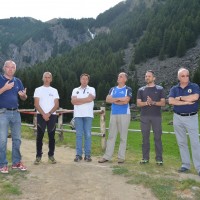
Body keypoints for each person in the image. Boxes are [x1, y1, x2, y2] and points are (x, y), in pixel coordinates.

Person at [168, 67, 200, 175]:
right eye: (183, 75)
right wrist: (186, 102)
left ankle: (199, 167)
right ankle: (185, 165)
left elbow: (195, 97)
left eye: (187, 75)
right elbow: (171, 101)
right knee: (182, 142)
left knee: (195, 142)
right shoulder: (174, 88)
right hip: (177, 117)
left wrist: (180, 98)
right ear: (178, 77)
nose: (186, 77)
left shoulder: (194, 86)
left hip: (191, 117)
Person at [0, 60, 27, 174]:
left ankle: (16, 162)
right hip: (3, 113)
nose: (10, 69)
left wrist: (23, 96)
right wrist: (4, 88)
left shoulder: (18, 81)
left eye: (13, 67)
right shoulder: (0, 79)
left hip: (16, 113)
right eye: (8, 67)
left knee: (17, 139)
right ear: (4, 68)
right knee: (2, 140)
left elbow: (23, 98)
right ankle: (3, 164)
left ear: (15, 69)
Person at [98, 72, 132, 164]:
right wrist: (119, 99)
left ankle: (121, 157)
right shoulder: (112, 89)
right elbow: (107, 99)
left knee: (123, 137)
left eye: (121, 76)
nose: (118, 77)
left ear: (125, 79)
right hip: (114, 114)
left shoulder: (128, 89)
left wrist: (115, 100)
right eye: (118, 76)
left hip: (124, 114)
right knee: (111, 136)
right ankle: (107, 156)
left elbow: (126, 101)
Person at [137, 70, 165, 165]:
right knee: (145, 138)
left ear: (154, 78)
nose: (147, 78)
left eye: (149, 76)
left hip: (156, 117)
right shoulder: (141, 90)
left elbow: (163, 103)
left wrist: (153, 102)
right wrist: (146, 103)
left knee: (157, 138)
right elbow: (138, 103)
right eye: (145, 76)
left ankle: (159, 159)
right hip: (144, 117)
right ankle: (145, 158)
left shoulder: (160, 89)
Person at [33, 72, 59, 165]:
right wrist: (44, 114)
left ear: (51, 79)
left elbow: (57, 105)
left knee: (51, 137)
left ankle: (51, 155)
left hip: (52, 115)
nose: (47, 79)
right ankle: (38, 156)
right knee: (40, 136)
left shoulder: (54, 90)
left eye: (49, 77)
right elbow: (36, 104)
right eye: (45, 77)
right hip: (41, 115)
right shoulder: (38, 90)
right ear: (42, 78)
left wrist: (49, 113)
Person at [71, 73, 96, 162]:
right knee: (79, 135)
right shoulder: (75, 90)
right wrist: (86, 100)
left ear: (88, 80)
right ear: (80, 80)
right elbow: (73, 101)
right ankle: (78, 155)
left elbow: (90, 99)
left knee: (88, 135)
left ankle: (87, 155)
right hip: (78, 115)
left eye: (86, 79)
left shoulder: (92, 89)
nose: (84, 80)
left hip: (88, 115)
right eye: (83, 79)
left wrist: (79, 101)